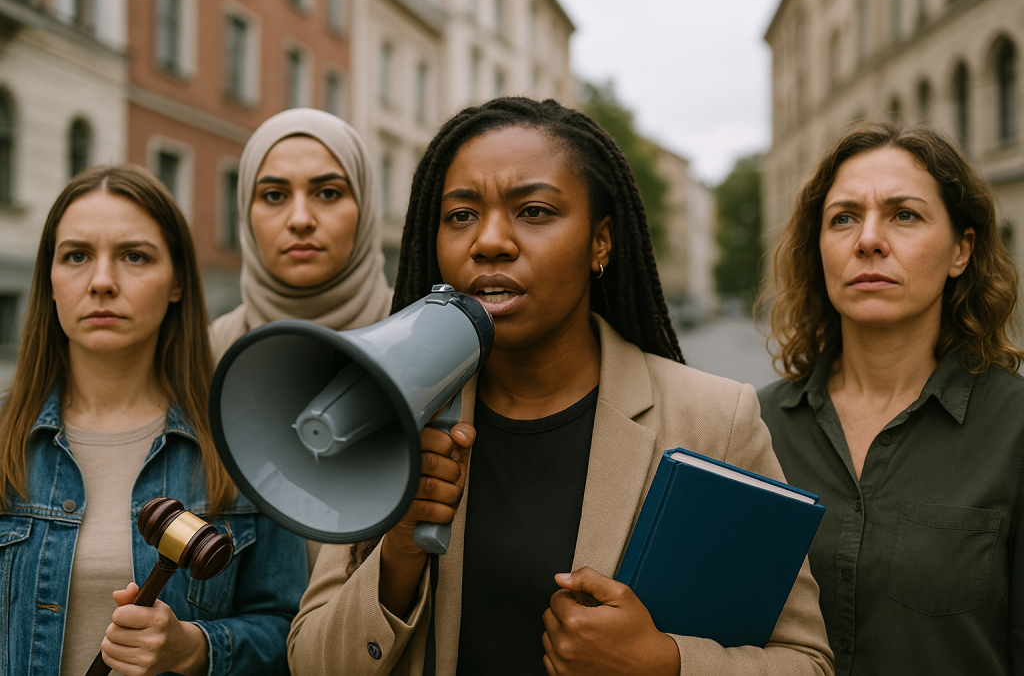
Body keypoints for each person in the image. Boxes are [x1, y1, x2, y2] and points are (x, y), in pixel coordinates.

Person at [288, 97, 834, 676]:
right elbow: (310, 663)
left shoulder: (714, 420)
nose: (490, 241)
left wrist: (666, 663)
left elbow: (805, 662)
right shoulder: (389, 414)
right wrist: (397, 551)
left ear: (600, 241)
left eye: (535, 211)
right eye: (461, 215)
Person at [0, 164, 307, 676]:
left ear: (177, 284)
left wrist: (195, 648)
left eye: (134, 256)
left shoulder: (245, 446)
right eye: (76, 256)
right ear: (49, 282)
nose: (101, 282)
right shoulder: (5, 438)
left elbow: (290, 630)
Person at [757, 120, 1024, 676]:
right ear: (820, 250)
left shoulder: (1015, 428)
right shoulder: (753, 427)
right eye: (844, 218)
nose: (868, 239)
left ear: (960, 251)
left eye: (905, 214)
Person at [208, 108, 391, 362]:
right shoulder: (206, 355)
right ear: (246, 211)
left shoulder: (423, 336)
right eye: (274, 196)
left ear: (365, 207)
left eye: (328, 193)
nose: (300, 220)